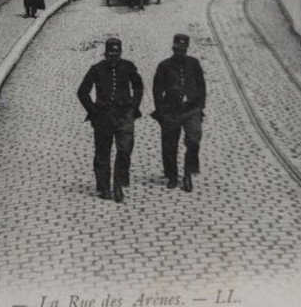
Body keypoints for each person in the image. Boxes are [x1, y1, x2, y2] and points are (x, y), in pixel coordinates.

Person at [77, 38, 143, 203]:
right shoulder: (96, 69)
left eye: (116, 53)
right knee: (102, 152)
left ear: (120, 53)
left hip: (123, 115)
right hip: (104, 116)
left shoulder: (128, 67)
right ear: (105, 54)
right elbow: (82, 92)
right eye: (110, 53)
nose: (113, 56)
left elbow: (138, 86)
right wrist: (93, 112)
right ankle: (104, 186)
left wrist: (133, 106)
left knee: (125, 148)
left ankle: (118, 184)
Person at [152, 34, 206, 193]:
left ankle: (188, 174)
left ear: (186, 49)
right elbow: (157, 91)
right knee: (169, 145)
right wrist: (161, 112)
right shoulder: (164, 66)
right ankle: (173, 175)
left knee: (194, 139)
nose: (180, 52)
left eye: (183, 50)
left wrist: (200, 106)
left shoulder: (194, 63)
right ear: (173, 48)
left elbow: (202, 86)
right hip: (171, 111)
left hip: (191, 109)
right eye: (177, 49)